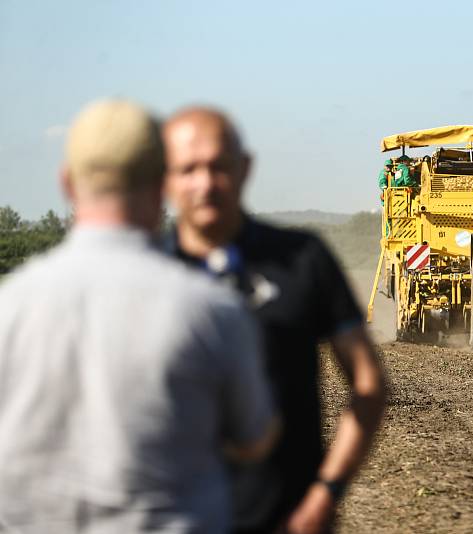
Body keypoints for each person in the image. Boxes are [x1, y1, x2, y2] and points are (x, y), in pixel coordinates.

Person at [0, 100, 280, 533]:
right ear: (164, 185)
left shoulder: (10, 308)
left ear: (67, 185)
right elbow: (254, 438)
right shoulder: (211, 312)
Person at [162, 107, 387, 534]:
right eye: (188, 169)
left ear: (245, 169)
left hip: (287, 519)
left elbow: (368, 385)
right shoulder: (142, 275)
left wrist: (326, 493)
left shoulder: (303, 259)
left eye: (218, 167)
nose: (205, 183)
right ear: (164, 178)